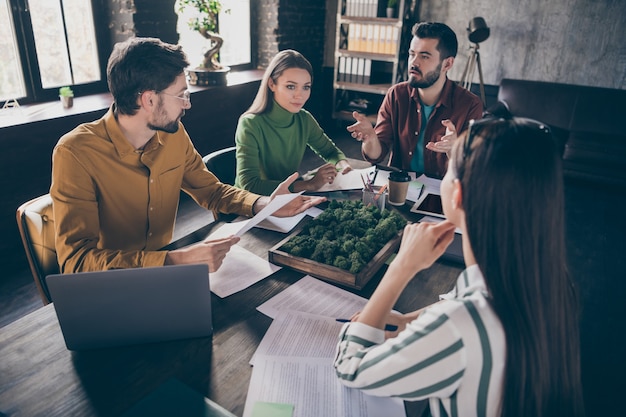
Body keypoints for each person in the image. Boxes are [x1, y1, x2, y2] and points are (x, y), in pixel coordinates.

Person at [334, 115, 585, 417]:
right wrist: (406, 322)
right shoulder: (553, 281)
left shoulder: (461, 326)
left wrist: (401, 267)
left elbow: (351, 367)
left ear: (458, 194)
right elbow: (460, 305)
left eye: (450, 166)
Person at [50, 37, 325, 274]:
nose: (188, 104)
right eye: (182, 94)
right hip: (109, 290)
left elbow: (211, 191)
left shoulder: (173, 134)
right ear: (148, 100)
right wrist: (174, 260)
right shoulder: (75, 152)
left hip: (169, 276)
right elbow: (77, 261)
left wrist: (263, 204)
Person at [347, 22, 483, 179]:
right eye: (412, 54)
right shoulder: (396, 94)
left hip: (441, 193)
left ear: (447, 63)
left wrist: (454, 150)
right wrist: (370, 138)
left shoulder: (470, 105)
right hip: (399, 188)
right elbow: (376, 155)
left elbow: (470, 169)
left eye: (424, 56)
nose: (414, 62)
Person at [234, 49, 352, 195]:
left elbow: (330, 151)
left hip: (287, 199)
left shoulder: (304, 119)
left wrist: (343, 165)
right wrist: (309, 184)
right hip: (251, 205)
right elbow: (250, 185)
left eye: (306, 87)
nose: (299, 95)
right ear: (272, 84)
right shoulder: (250, 124)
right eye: (291, 86)